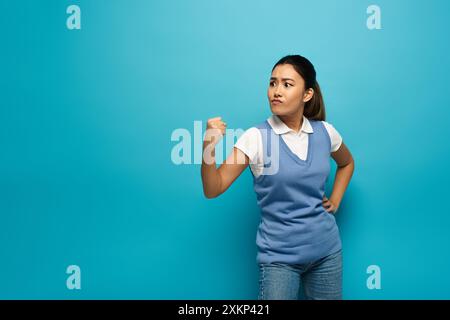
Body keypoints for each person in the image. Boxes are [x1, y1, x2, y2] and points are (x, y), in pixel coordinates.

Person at [200, 54, 355, 300]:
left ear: (307, 94)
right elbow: (213, 188)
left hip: (327, 252)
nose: (276, 91)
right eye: (273, 83)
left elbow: (346, 163)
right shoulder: (256, 137)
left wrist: (335, 200)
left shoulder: (325, 132)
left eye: (287, 84)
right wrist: (208, 145)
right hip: (279, 260)